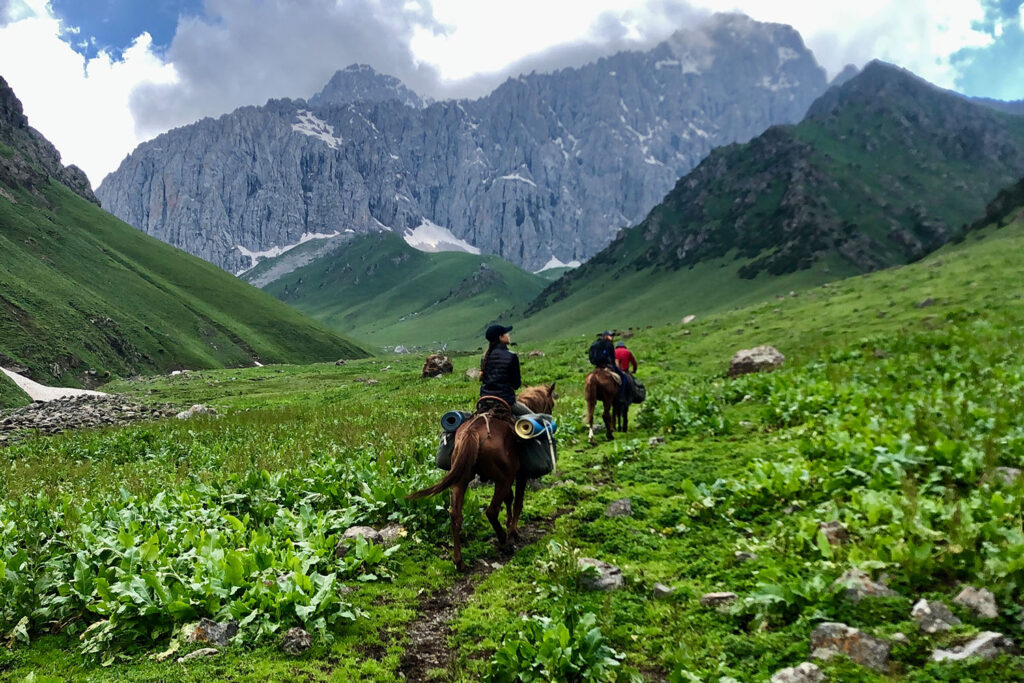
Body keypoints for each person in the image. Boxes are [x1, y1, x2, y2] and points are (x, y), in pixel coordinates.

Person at [479, 324, 530, 416]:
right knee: (537, 419)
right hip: (505, 401)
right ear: (500, 337)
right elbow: (516, 384)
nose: (508, 335)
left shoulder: (485, 357)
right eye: (506, 333)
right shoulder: (511, 356)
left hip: (485, 401)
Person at [589, 330, 627, 398]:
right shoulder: (609, 344)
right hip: (607, 365)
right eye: (611, 336)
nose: (612, 337)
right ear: (606, 336)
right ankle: (621, 396)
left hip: (597, 366)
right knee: (623, 377)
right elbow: (612, 358)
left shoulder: (595, 344)